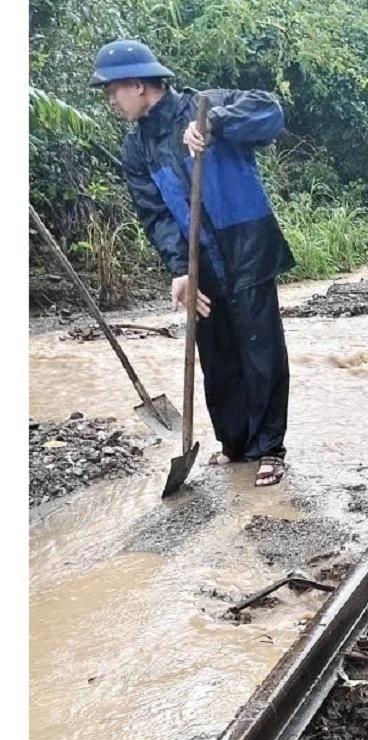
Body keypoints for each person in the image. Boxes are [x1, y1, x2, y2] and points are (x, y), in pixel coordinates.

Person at [91, 40, 294, 486]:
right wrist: (179, 269)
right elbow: (155, 214)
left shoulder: (205, 107)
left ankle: (269, 450)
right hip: (199, 262)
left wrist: (215, 124)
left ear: (139, 85)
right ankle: (235, 444)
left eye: (113, 90)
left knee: (260, 352)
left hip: (246, 249)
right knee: (216, 357)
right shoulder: (136, 149)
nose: (111, 99)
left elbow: (271, 113)